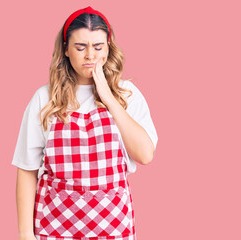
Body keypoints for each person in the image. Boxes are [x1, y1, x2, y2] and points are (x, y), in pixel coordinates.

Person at [12, 6, 158, 240]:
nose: (90, 55)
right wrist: (25, 234)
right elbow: (26, 169)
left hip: (113, 228)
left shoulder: (127, 94)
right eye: (81, 47)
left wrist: (108, 97)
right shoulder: (44, 98)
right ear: (66, 49)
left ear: (108, 49)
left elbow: (145, 154)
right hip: (54, 228)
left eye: (98, 47)